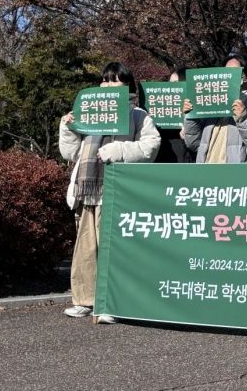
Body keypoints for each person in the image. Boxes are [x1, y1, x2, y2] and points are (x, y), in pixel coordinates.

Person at [59, 62, 161, 323]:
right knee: (84, 249)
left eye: (115, 80)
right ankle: (85, 300)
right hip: (85, 188)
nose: (107, 85)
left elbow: (151, 146)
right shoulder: (90, 112)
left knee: (111, 248)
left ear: (128, 86)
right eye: (105, 80)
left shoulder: (138, 115)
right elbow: (71, 153)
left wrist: (119, 152)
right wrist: (68, 128)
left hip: (115, 189)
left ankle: (110, 303)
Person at [183, 53, 247, 164]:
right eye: (225, 72)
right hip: (207, 177)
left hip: (237, 178)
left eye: (234, 72)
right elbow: (194, 144)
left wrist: (244, 120)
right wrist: (191, 116)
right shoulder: (211, 103)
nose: (228, 76)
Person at [153, 67, 195, 164]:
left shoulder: (196, 113)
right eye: (169, 84)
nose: (171, 88)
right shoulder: (162, 108)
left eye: (176, 84)